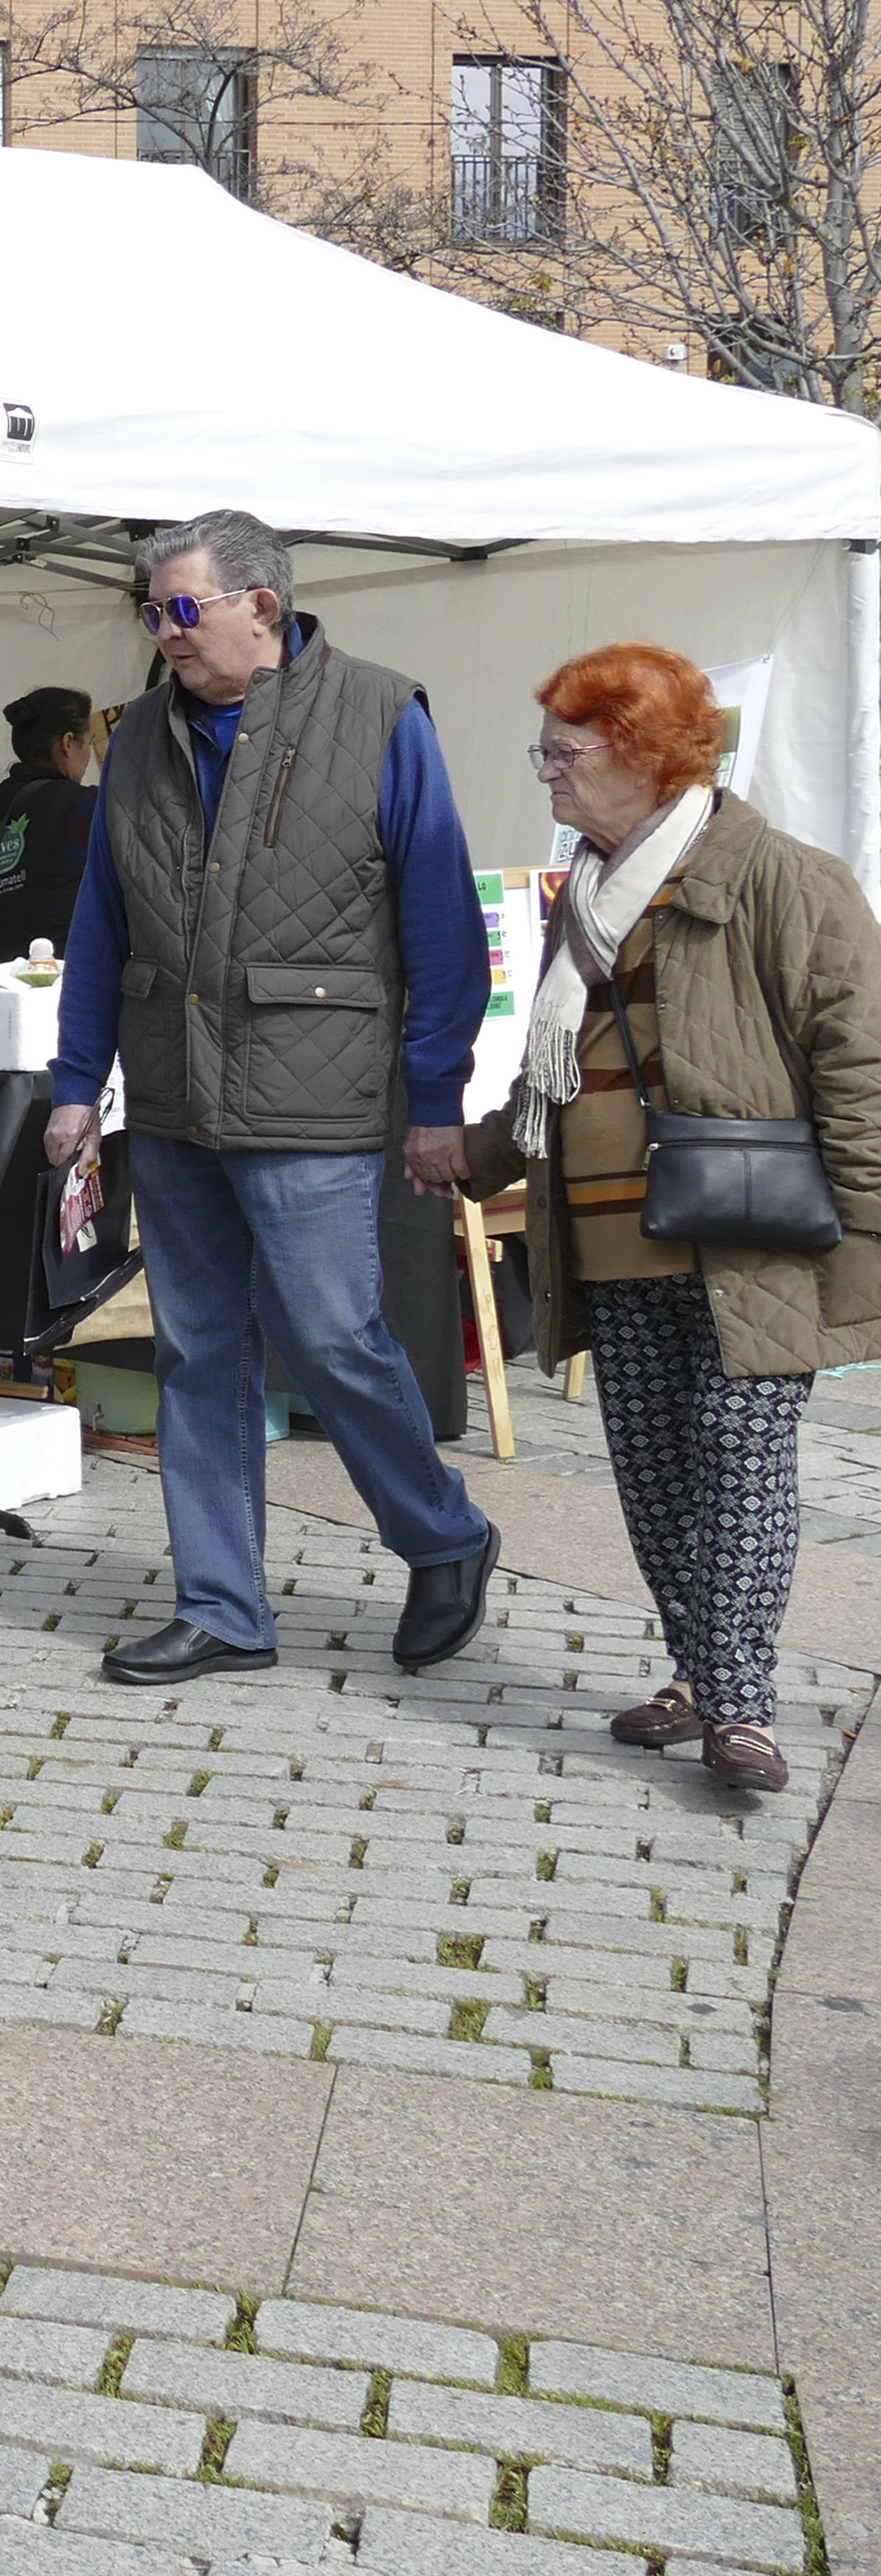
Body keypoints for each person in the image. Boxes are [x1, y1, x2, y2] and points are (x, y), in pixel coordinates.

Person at [42, 508, 503, 1686]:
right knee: (197, 1354)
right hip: (175, 1095)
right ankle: (222, 1610)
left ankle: (443, 1535)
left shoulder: (381, 714)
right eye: (151, 611)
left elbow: (443, 926)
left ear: (262, 604)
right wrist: (77, 1081)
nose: (164, 631)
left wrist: (437, 1096)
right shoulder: (137, 736)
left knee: (335, 1338)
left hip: (318, 1094)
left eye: (181, 608)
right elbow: (103, 921)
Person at [461, 645, 881, 1795]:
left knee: (740, 1459)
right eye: (543, 751)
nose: (546, 771)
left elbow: (861, 1068)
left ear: (644, 753)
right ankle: (702, 1677)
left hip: (754, 1240)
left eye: (565, 751)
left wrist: (870, 1237)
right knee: (656, 1483)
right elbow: (554, 1079)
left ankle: (741, 1709)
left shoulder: (786, 880)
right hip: (609, 1241)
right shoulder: (589, 895)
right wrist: (473, 1159)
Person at [0, 687, 98, 964]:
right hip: (64, 976)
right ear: (68, 743)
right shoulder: (85, 806)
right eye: (88, 743)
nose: (88, 755)